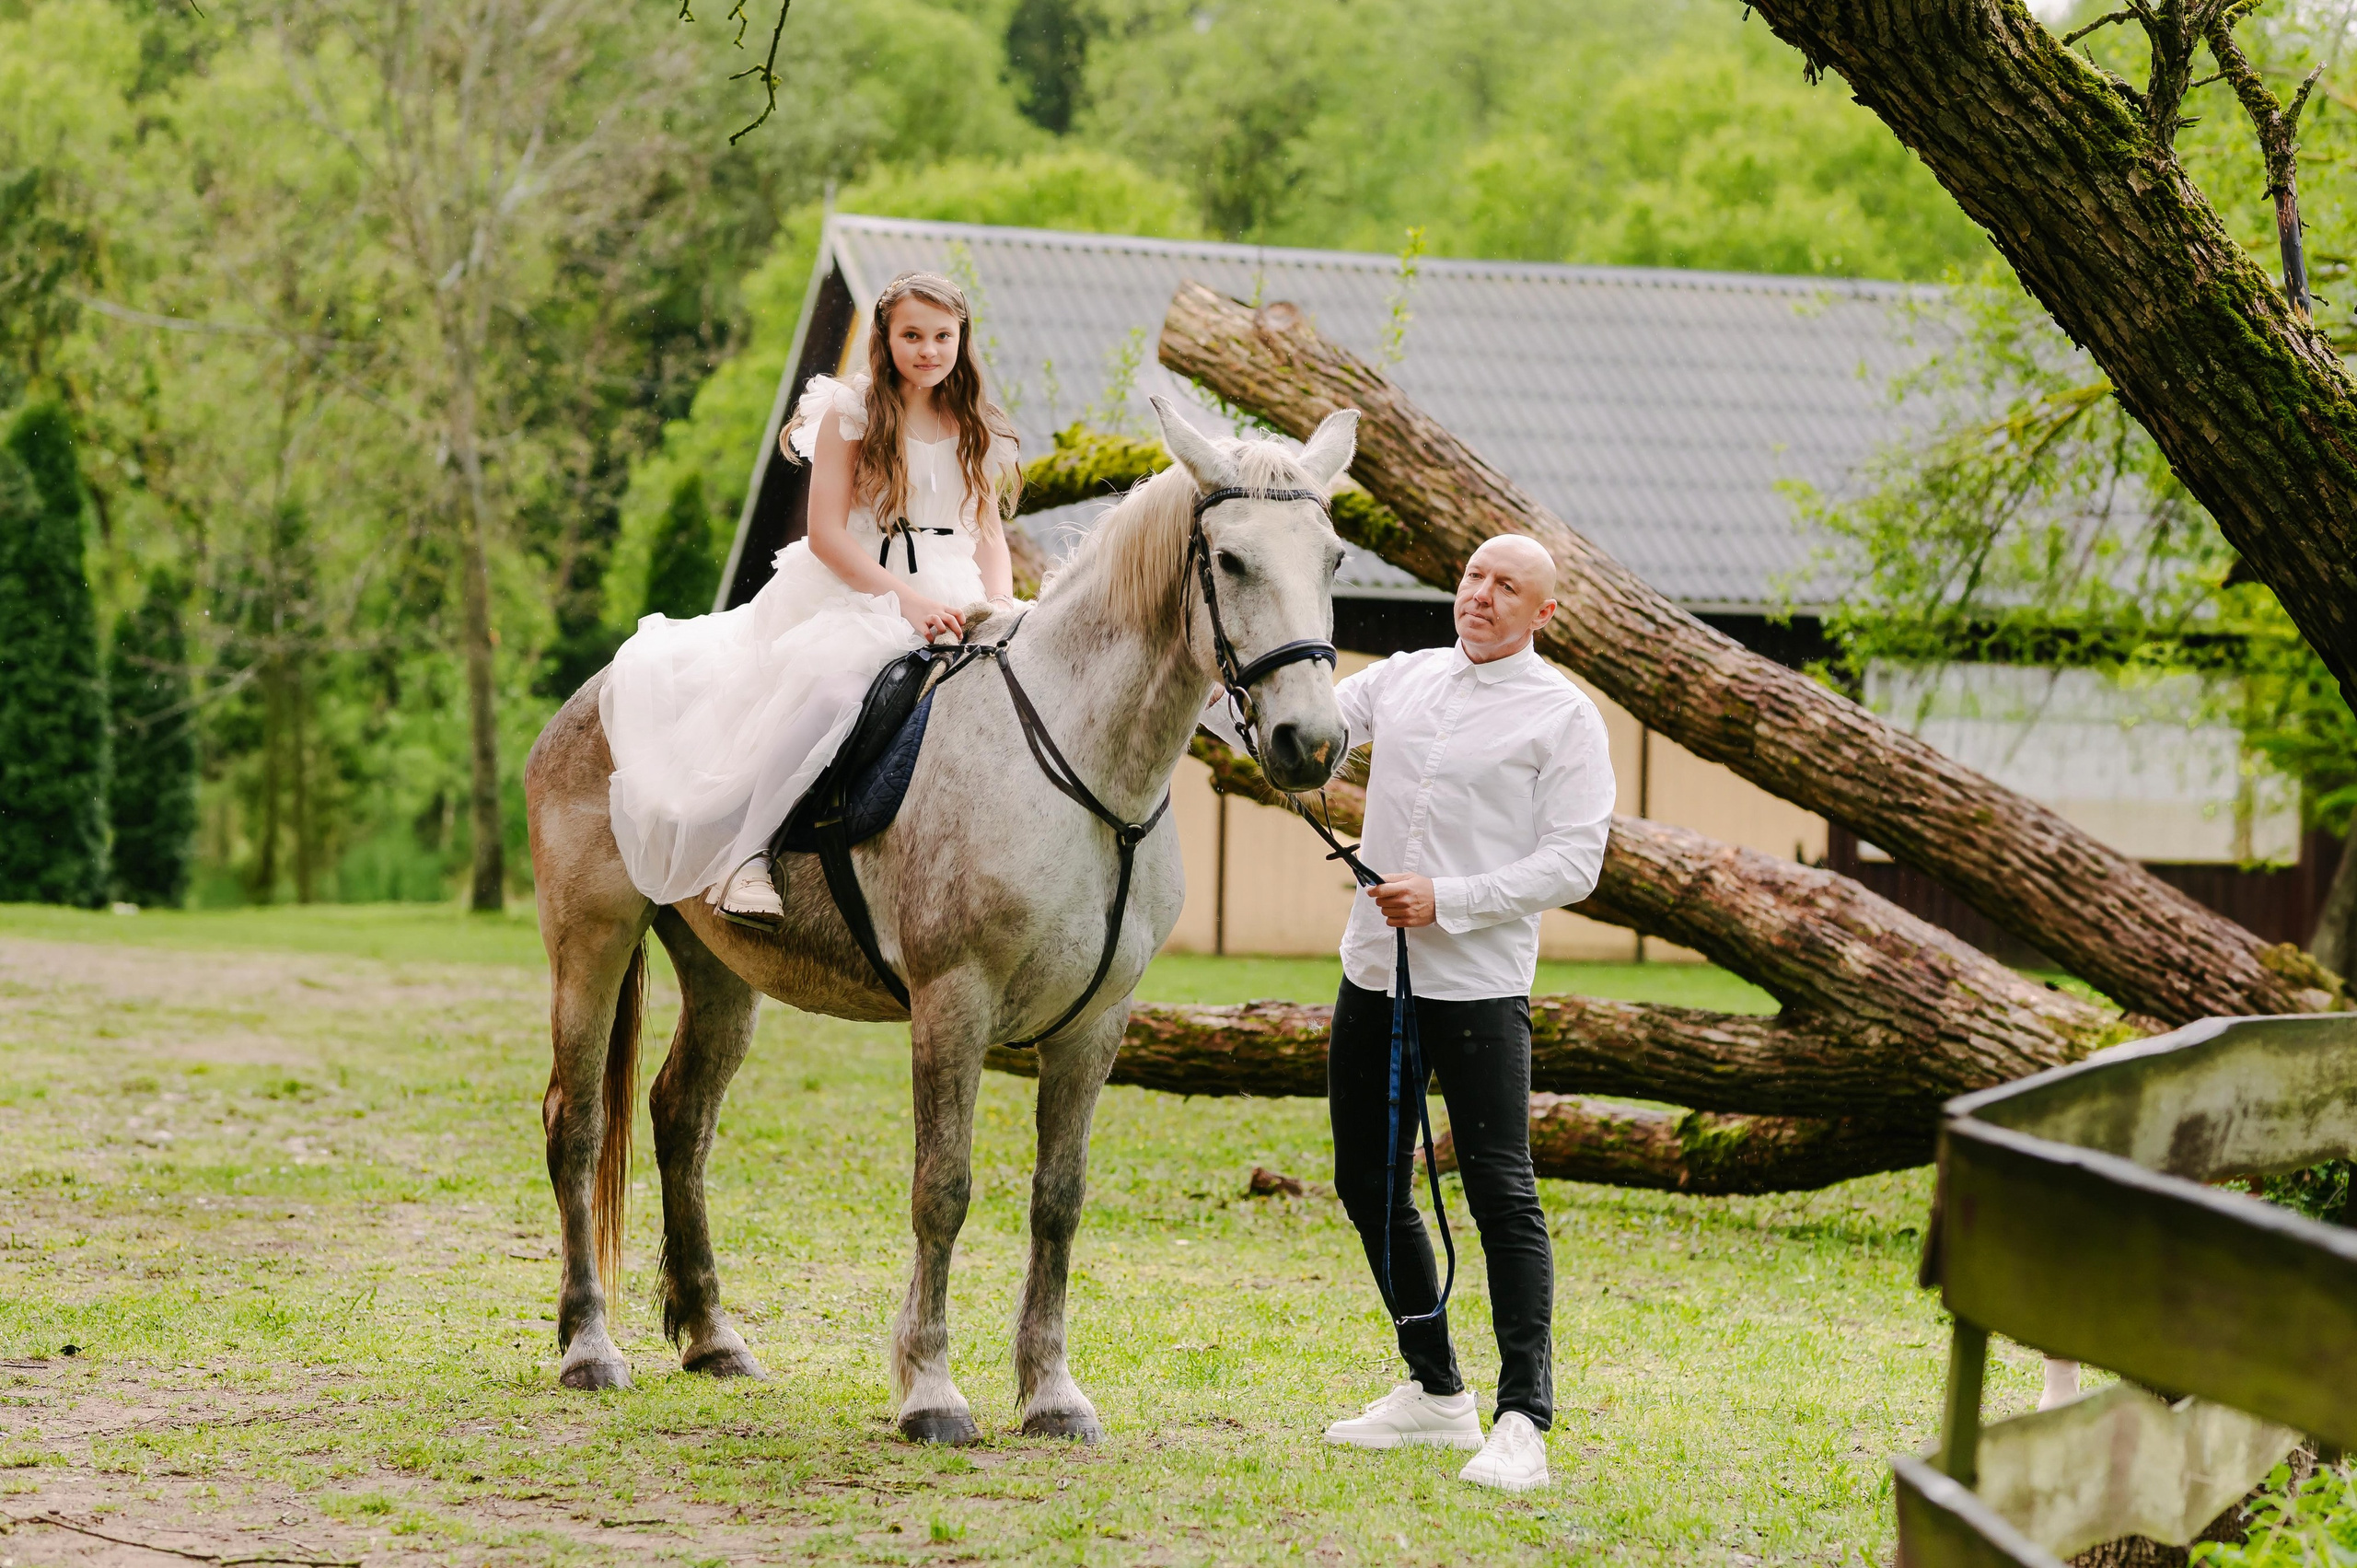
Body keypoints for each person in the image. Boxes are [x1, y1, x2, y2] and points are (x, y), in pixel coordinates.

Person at [1215, 534, 1613, 1493]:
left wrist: (1449, 898)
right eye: (1473, 576)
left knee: (1501, 1192)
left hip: (1478, 984)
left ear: (1543, 613)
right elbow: (1290, 728)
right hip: (1374, 974)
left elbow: (1576, 861)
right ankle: (1436, 1390)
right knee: (1365, 1181)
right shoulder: (1402, 678)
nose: (1480, 594)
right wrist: (1201, 673)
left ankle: (1523, 1418)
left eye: (1506, 585)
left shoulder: (1564, 716)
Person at [600, 272, 1022, 925]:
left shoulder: (974, 422)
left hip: (954, 594)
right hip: (857, 589)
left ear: (961, 340)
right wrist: (907, 604)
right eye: (912, 335)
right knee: (832, 692)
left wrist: (1001, 606)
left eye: (943, 336)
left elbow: (989, 535)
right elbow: (826, 535)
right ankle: (748, 857)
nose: (928, 350)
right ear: (885, 337)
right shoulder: (852, 413)